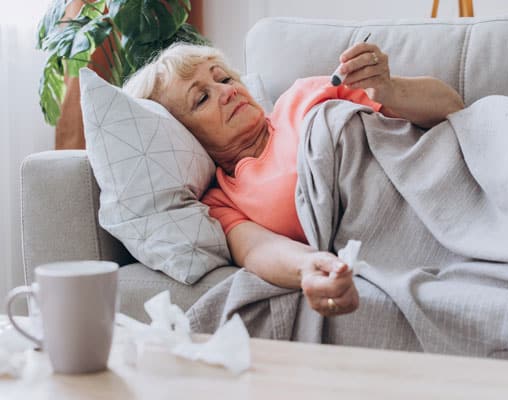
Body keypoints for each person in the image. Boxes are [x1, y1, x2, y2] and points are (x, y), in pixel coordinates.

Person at [123, 42, 464, 318]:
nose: (226, 92)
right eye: (201, 98)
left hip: (447, 181)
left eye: (223, 79)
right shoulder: (222, 199)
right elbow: (258, 249)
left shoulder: (303, 96)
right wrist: (309, 268)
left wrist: (388, 88)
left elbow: (450, 105)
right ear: (185, 136)